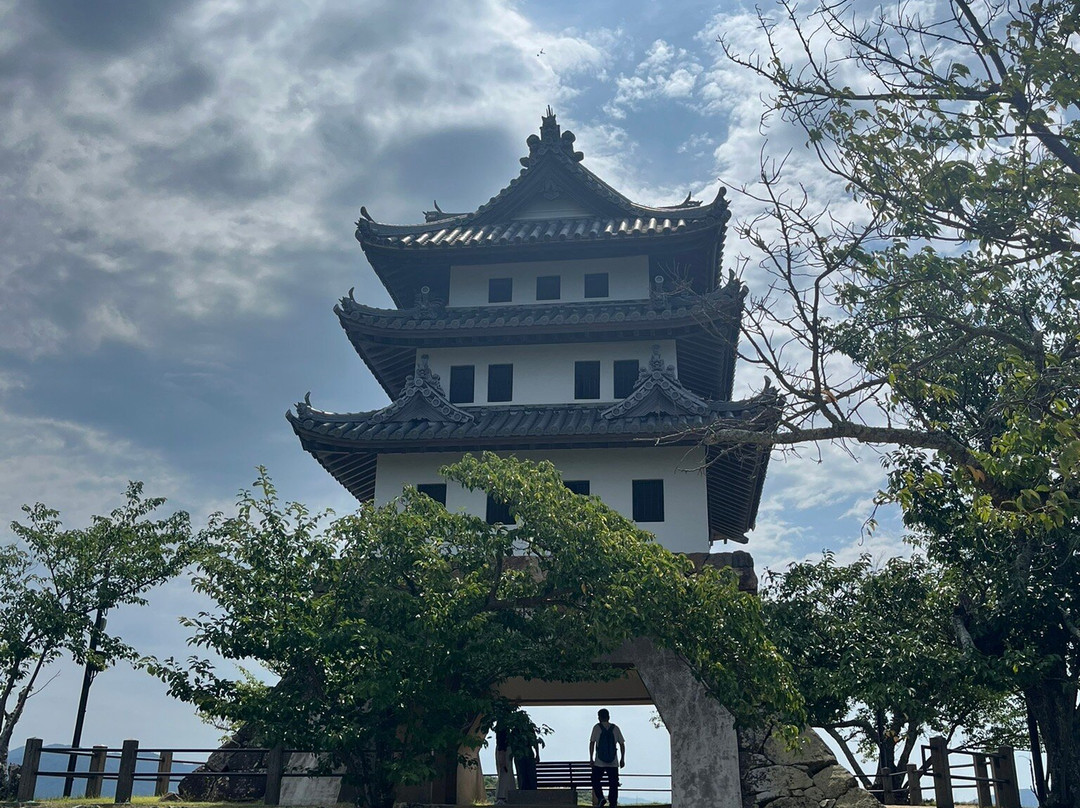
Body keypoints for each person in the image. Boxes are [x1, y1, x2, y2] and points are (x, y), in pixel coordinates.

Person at [589, 708, 625, 808]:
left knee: (595, 779)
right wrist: (622, 758)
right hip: (613, 762)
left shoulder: (597, 728)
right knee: (613, 783)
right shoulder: (615, 728)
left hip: (599, 762)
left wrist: (591, 758)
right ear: (608, 717)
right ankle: (613, 803)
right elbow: (622, 744)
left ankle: (601, 798)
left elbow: (592, 743)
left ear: (599, 718)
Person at [494, 724, 512, 804]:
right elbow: (501, 744)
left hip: (504, 751)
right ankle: (502, 795)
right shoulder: (503, 728)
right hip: (504, 751)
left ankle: (505, 795)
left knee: (505, 773)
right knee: (504, 772)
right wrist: (502, 756)